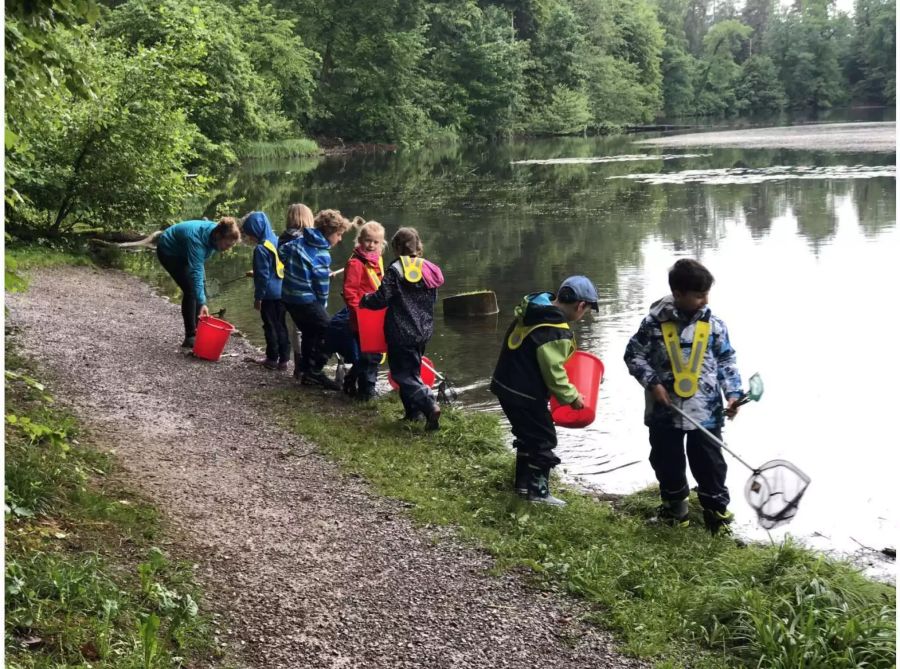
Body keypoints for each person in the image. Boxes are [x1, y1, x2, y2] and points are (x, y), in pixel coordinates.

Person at [623, 258, 743, 534]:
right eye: (698, 295)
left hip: (706, 412)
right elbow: (633, 355)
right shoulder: (653, 325)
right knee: (667, 461)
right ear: (678, 294)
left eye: (706, 294)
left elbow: (726, 360)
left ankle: (717, 517)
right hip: (665, 411)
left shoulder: (715, 326)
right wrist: (653, 383)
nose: (704, 300)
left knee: (711, 465)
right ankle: (676, 513)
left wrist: (733, 394)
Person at [490, 276, 597, 507]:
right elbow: (553, 372)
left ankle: (522, 485)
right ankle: (538, 493)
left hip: (505, 386)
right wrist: (572, 397)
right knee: (543, 438)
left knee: (527, 436)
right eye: (586, 311)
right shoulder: (555, 329)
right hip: (526, 394)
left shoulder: (535, 309)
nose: (583, 316)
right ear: (580, 306)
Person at [360, 227, 444, 429]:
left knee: (401, 375)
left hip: (400, 331)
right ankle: (414, 414)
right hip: (423, 331)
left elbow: (382, 298)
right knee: (412, 372)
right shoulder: (428, 269)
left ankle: (428, 402)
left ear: (396, 248)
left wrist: (365, 300)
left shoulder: (396, 270)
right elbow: (433, 299)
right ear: (419, 246)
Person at [280, 209, 352, 389]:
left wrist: (295, 269)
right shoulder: (322, 254)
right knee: (330, 329)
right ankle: (315, 371)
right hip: (304, 299)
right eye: (339, 234)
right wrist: (322, 305)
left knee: (310, 332)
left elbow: (282, 252)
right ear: (329, 233)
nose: (340, 239)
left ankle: (306, 372)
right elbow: (321, 288)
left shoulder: (299, 241)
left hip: (288, 297)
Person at [156, 217, 241, 347]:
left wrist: (202, 291)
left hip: (183, 251)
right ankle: (190, 336)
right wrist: (202, 302)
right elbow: (196, 271)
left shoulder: (215, 235)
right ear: (219, 236)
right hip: (168, 249)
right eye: (227, 245)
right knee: (190, 290)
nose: (228, 248)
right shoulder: (196, 240)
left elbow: (199, 264)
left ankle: (198, 330)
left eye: (231, 246)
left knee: (197, 288)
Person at [341, 218, 386, 400]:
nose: (371, 245)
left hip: (376, 314)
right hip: (362, 316)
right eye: (368, 240)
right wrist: (357, 312)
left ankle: (351, 380)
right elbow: (350, 292)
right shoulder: (356, 263)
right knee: (371, 355)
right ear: (360, 240)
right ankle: (367, 392)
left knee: (372, 353)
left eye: (376, 242)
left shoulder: (377, 259)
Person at [241, 211, 291, 370]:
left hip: (268, 295)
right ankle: (284, 360)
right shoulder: (277, 241)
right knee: (281, 325)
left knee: (269, 325)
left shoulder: (260, 249)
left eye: (250, 234)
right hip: (283, 292)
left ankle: (271, 358)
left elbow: (263, 277)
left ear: (256, 230)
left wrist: (258, 298)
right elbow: (274, 267)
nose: (250, 238)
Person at [278, 203, 315, 378]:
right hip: (307, 289)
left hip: (289, 289)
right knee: (311, 327)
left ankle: (299, 365)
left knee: (297, 328)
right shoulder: (308, 240)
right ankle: (310, 365)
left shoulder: (283, 238)